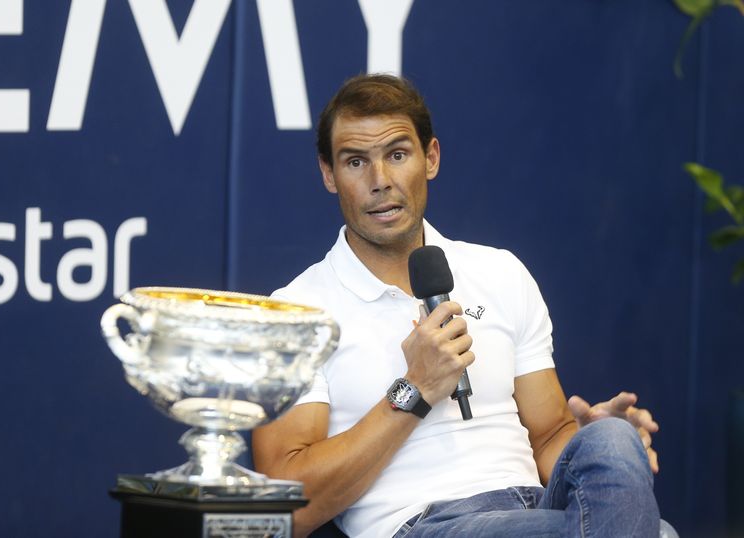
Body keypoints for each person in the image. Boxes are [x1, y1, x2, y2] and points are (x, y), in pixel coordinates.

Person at [252, 74, 673, 538]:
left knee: (611, 440)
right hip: (423, 524)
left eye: (397, 154)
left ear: (430, 158)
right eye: (356, 162)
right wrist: (415, 388)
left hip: (538, 510)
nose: (381, 182)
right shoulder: (296, 312)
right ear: (329, 174)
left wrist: (604, 454)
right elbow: (285, 506)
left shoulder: (500, 272)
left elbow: (551, 437)